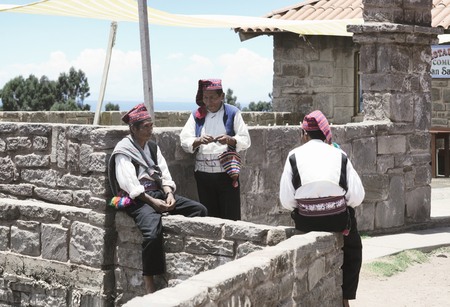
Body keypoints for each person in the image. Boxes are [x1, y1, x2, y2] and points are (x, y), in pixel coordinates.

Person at [108, 103, 207, 294]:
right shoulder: (124, 150)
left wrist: (169, 194)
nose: (150, 130)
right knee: (152, 233)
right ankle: (149, 283)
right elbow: (129, 183)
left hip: (158, 193)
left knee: (199, 210)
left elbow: (164, 175)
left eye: (151, 126)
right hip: (138, 199)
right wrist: (153, 203)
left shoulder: (152, 147)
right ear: (133, 128)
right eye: (145, 127)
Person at [279, 110, 365, 307]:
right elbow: (357, 196)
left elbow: (287, 201)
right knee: (353, 248)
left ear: (305, 134)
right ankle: (345, 297)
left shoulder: (293, 156)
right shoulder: (340, 154)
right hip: (337, 221)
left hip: (306, 222)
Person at [180, 79, 251, 220]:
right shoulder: (196, 115)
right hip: (203, 175)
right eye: (205, 98)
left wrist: (230, 139)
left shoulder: (233, 113)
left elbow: (246, 139)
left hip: (227, 174)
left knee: (230, 215)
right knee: (209, 216)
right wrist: (198, 141)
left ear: (222, 96)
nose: (208, 102)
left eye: (212, 98)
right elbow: (184, 139)